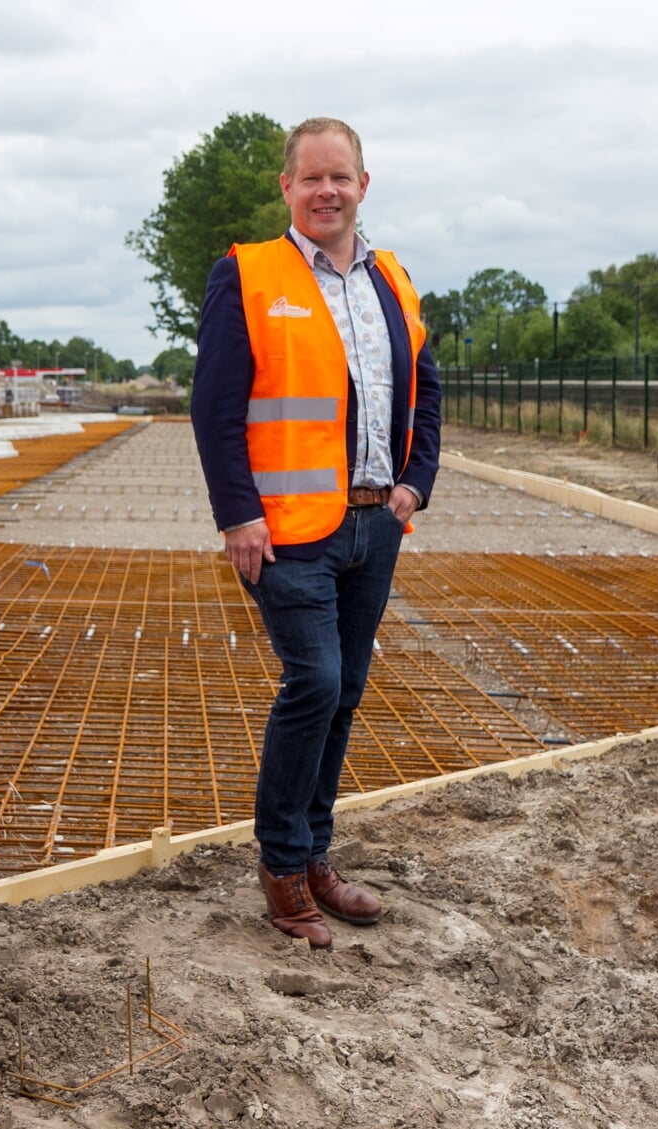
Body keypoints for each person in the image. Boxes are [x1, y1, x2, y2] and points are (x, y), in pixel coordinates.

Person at [190, 117, 442, 951]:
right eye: (311, 179)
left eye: (341, 177)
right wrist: (237, 513)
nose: (326, 191)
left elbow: (427, 389)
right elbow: (216, 407)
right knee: (315, 681)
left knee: (346, 692)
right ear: (287, 189)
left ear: (363, 185)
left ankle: (316, 855)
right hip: (289, 531)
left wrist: (415, 487)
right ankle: (282, 868)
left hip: (376, 523)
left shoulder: (392, 279)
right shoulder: (249, 275)